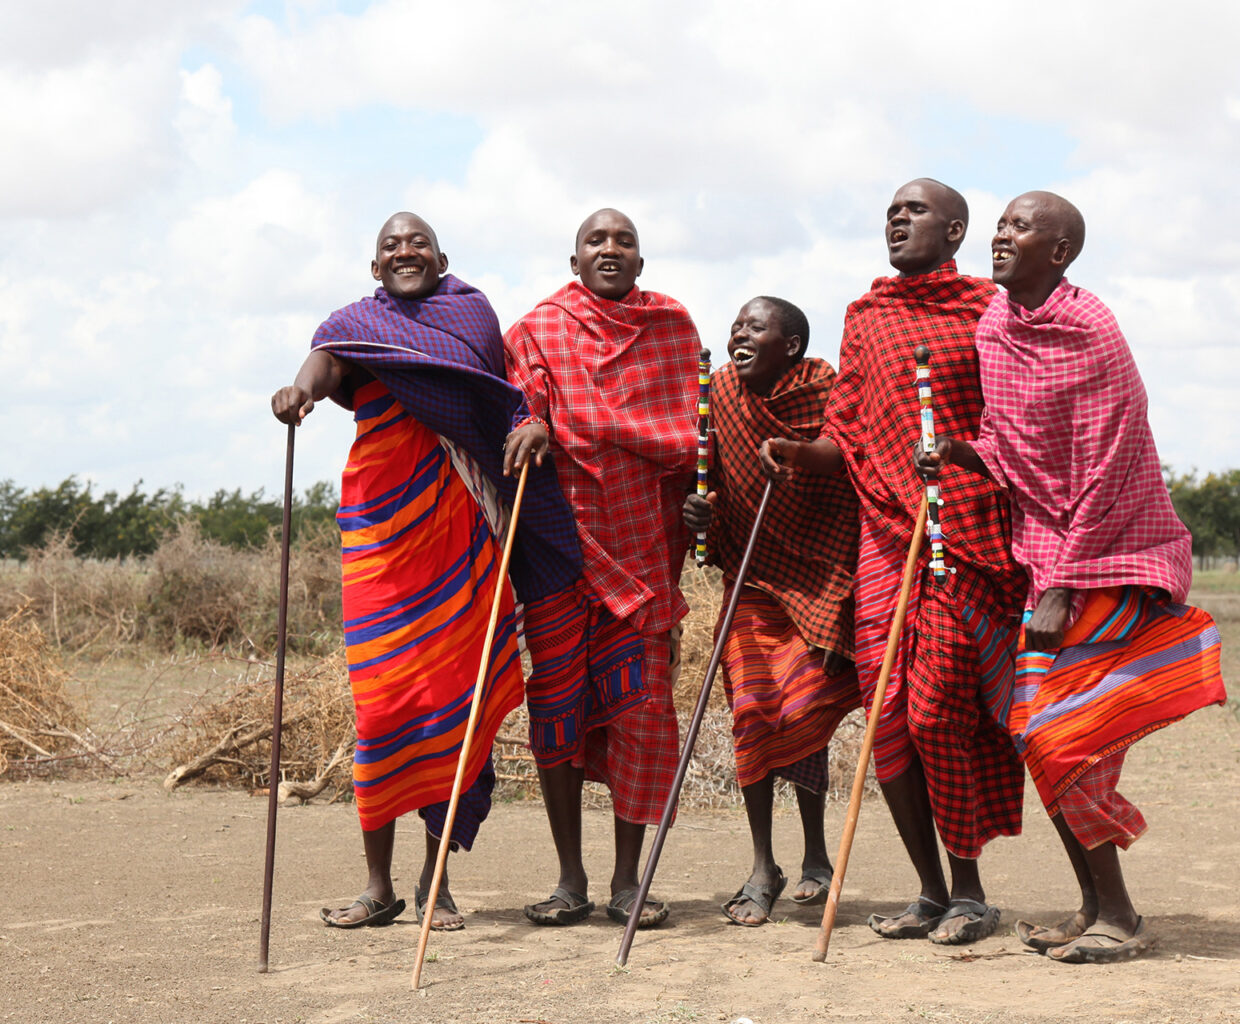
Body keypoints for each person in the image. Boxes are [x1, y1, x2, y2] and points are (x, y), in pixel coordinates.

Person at [919, 191, 1226, 964]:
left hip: (1115, 554)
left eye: (1020, 227)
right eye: (1001, 223)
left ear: (1058, 252)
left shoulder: (1091, 326)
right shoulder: (995, 325)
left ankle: (1120, 916)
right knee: (1042, 736)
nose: (1001, 235)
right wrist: (959, 452)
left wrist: (1065, 580)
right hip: (1043, 555)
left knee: (1058, 733)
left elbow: (1109, 459)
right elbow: (1008, 441)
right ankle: (1095, 907)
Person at [271, 212, 581, 932]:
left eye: (417, 243)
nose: (404, 251)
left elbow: (498, 400)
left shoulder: (470, 316)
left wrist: (528, 433)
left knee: (455, 708)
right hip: (379, 534)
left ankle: (434, 884)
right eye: (390, 246)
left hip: (459, 534)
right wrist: (300, 390)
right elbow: (327, 359)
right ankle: (378, 887)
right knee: (380, 712)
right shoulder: (355, 322)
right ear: (374, 267)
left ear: (443, 257)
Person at [759, 179, 1026, 945]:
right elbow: (846, 432)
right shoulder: (865, 317)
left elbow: (1013, 415)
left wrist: (969, 462)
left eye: (915, 212)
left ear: (956, 230)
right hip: (884, 540)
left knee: (941, 708)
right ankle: (932, 893)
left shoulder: (989, 309)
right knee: (888, 722)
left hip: (964, 533)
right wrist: (800, 454)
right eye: (891, 213)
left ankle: (973, 890)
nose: (897, 221)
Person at [501, 208, 698, 929]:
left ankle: (626, 880)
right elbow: (526, 401)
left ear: (640, 264)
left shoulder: (672, 329)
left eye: (624, 242)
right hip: (561, 551)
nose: (611, 249)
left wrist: (700, 502)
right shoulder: (536, 330)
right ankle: (569, 879)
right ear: (574, 259)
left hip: (644, 552)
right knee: (556, 713)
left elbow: (692, 440)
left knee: (643, 716)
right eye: (597, 241)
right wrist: (531, 425)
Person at [681, 296, 862, 926]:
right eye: (736, 324)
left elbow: (848, 467)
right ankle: (763, 865)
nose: (739, 333)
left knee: (803, 713)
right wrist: (700, 510)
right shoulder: (720, 392)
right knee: (756, 711)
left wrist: (799, 453)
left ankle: (816, 854)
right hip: (752, 577)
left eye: (756, 326)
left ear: (790, 346)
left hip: (821, 579)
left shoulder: (824, 390)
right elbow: (711, 480)